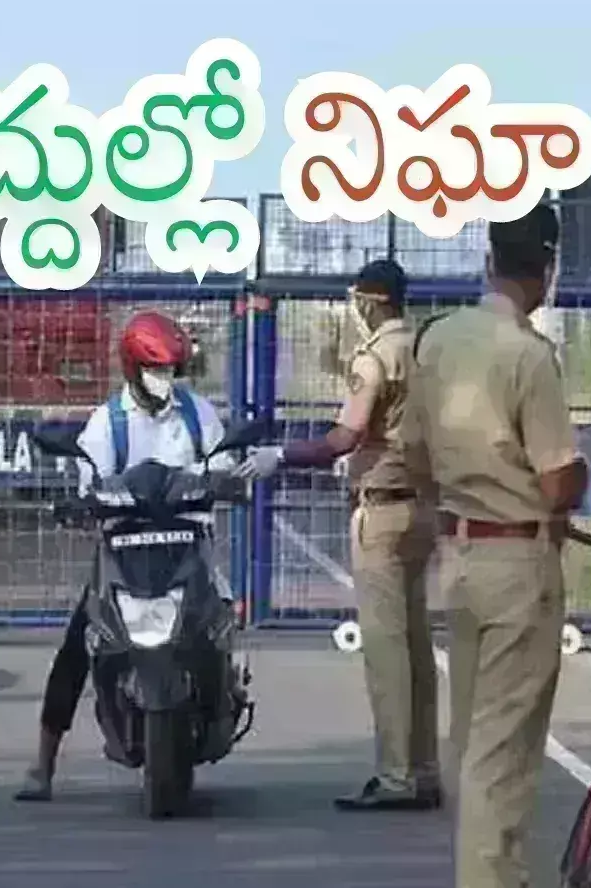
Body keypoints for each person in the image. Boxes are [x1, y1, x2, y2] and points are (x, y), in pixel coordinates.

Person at [404, 203, 591, 888]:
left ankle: (499, 874)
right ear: (548, 270)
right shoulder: (528, 355)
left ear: (488, 261)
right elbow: (556, 484)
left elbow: (415, 456)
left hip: (461, 560)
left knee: (473, 744)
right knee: (503, 756)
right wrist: (590, 463)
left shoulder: (436, 340)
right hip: (520, 565)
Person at [235, 259, 442, 811]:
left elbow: (344, 437)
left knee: (386, 652)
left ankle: (396, 776)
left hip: (381, 512)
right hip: (424, 507)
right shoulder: (425, 352)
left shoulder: (375, 357)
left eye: (358, 300)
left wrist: (281, 455)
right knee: (417, 647)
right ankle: (424, 768)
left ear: (372, 301)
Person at [13, 308, 238, 803]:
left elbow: (221, 462)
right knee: (78, 645)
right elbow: (90, 481)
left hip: (185, 543)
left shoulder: (197, 414)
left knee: (218, 621)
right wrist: (84, 504)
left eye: (170, 369)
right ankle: (43, 763)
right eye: (155, 369)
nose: (164, 378)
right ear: (132, 368)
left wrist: (227, 480)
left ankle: (222, 696)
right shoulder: (106, 423)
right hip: (125, 547)